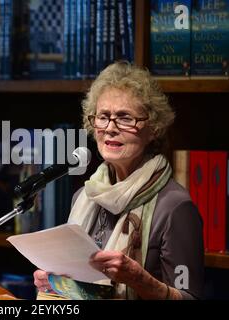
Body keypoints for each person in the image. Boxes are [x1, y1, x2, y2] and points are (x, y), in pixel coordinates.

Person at [33, 62, 204, 300]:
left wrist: (139, 280)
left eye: (125, 118)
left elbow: (191, 297)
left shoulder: (175, 207)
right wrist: (54, 282)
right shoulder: (83, 196)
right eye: (103, 117)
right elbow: (81, 287)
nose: (110, 128)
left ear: (153, 128)